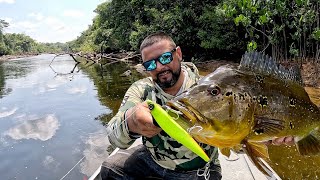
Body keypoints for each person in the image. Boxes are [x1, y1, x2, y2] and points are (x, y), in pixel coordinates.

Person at [96, 31, 294, 180]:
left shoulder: (209, 89)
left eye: (165, 58)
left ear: (178, 53)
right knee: (111, 167)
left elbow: (236, 141)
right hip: (153, 161)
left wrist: (264, 138)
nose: (159, 68)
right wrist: (131, 122)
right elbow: (114, 137)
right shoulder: (140, 90)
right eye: (150, 65)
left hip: (199, 171)